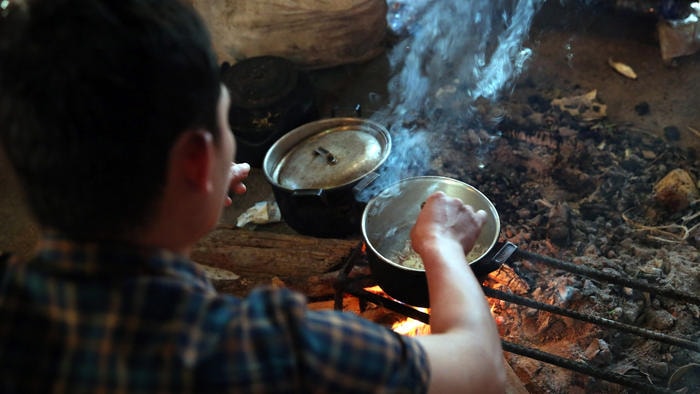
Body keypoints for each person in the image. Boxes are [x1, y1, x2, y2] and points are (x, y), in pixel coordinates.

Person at [0, 0, 506, 393]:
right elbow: (479, 370)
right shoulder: (262, 353)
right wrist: (439, 244)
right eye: (224, 118)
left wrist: (184, 197)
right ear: (198, 161)